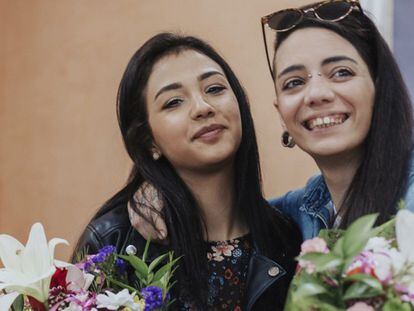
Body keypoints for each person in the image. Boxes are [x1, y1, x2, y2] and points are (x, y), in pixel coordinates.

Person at [130, 0, 414, 242]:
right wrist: (157, 186)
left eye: (341, 72)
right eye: (294, 82)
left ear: (380, 87)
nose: (315, 94)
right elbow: (234, 217)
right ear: (281, 113)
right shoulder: (301, 213)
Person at [73, 33, 301, 310]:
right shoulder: (115, 242)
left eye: (215, 89)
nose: (203, 108)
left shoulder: (288, 238)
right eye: (173, 102)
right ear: (149, 141)